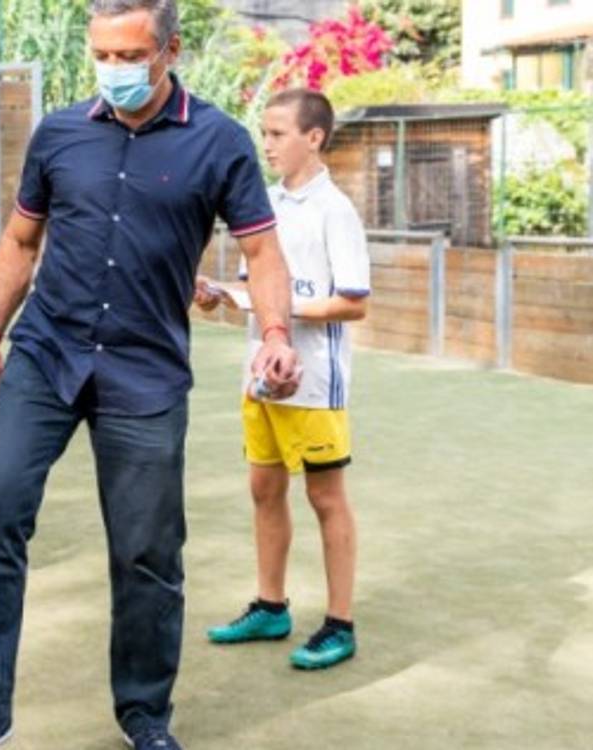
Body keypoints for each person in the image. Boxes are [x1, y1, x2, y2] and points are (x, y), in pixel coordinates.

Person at [0, 1, 303, 748]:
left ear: (169, 49)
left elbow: (263, 253)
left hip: (145, 371)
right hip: (45, 355)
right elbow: (19, 241)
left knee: (146, 552)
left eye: (128, 55)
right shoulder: (59, 134)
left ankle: (144, 715)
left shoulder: (219, 142)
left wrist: (274, 333)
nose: (114, 71)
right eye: (101, 56)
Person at [197, 88, 370, 670]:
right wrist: (222, 297)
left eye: (277, 134)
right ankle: (271, 607)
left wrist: (279, 314)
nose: (266, 144)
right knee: (263, 490)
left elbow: (352, 303)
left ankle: (340, 624)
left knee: (325, 497)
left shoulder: (335, 211)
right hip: (259, 381)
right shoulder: (265, 204)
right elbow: (259, 290)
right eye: (264, 133)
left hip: (314, 385)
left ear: (313, 137)